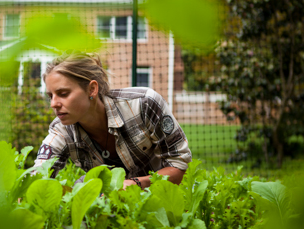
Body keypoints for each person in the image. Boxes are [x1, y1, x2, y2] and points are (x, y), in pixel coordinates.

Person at [34, 52, 192, 189]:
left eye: (63, 93)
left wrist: (137, 184)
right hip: (108, 209)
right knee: (82, 185)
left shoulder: (143, 104)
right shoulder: (61, 129)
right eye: (50, 96)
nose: (53, 104)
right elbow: (38, 175)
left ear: (92, 89)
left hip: (163, 199)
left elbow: (178, 164)